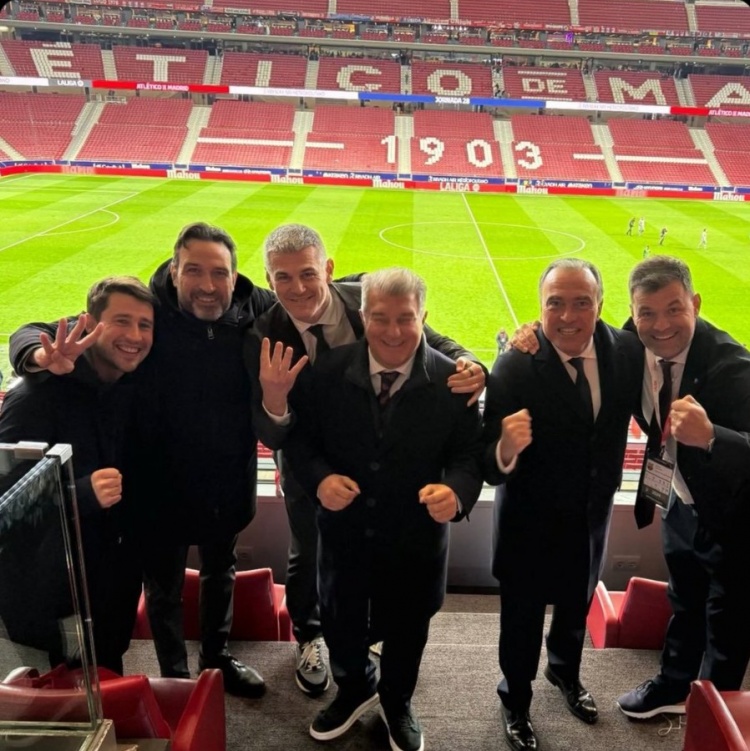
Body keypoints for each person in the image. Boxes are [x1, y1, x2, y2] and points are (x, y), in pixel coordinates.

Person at [8, 222, 277, 697]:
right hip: (155, 487)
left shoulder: (253, 309)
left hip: (226, 484)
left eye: (219, 272)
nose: (207, 284)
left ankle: (216, 659)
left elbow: (316, 297)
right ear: (174, 271)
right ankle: (175, 676)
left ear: (235, 278)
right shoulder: (149, 313)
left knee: (221, 571)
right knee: (162, 586)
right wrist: (35, 356)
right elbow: (43, 333)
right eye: (193, 270)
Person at [245, 224, 486, 697]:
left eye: (308, 273)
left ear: (328, 270)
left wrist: (470, 363)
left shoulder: (369, 297)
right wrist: (275, 401)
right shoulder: (261, 334)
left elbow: (428, 338)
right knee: (310, 552)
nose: (298, 288)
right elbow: (274, 432)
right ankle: (311, 635)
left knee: (378, 559)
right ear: (269, 280)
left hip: (381, 458)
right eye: (283, 277)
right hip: (313, 464)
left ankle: (368, 637)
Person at [482, 259, 643, 751]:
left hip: (591, 514)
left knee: (576, 605)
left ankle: (565, 673)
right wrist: (505, 446)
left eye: (581, 303)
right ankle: (516, 700)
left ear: (601, 305)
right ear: (539, 307)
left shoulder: (628, 352)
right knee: (522, 620)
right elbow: (489, 464)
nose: (568, 316)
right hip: (528, 522)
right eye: (555, 303)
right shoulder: (515, 365)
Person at [0, 276, 156, 675]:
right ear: (89, 324)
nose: (135, 336)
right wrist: (79, 493)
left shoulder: (128, 383)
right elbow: (5, 511)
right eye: (122, 321)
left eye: (145, 324)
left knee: (107, 670)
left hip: (111, 580)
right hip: (51, 594)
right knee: (58, 693)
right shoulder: (34, 396)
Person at [616, 255, 750, 719]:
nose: (661, 325)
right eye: (647, 312)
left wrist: (712, 436)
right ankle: (673, 685)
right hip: (680, 498)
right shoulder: (629, 343)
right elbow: (580, 341)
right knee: (684, 597)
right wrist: (532, 335)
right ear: (633, 312)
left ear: (695, 303)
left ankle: (713, 711)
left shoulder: (733, 368)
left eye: (674, 309)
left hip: (736, 514)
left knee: (729, 619)